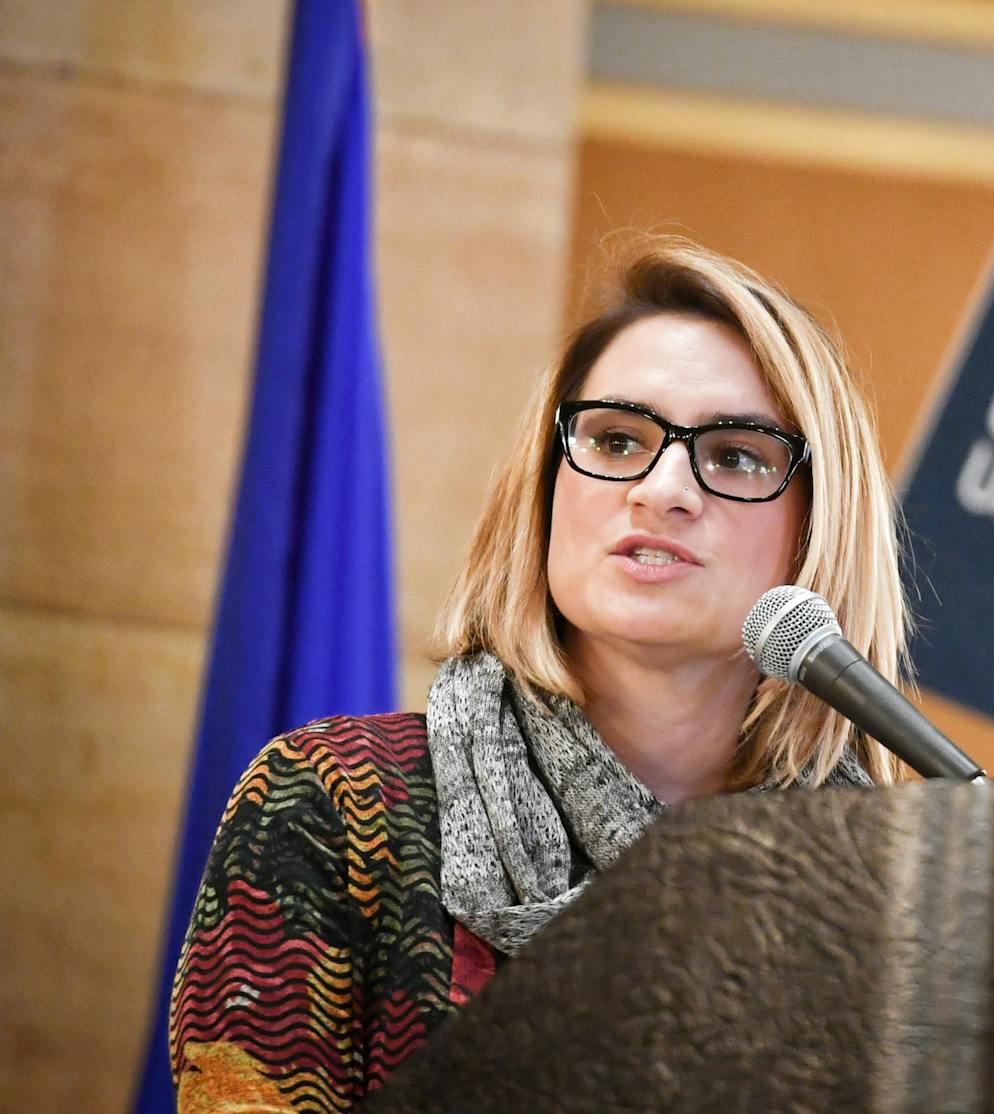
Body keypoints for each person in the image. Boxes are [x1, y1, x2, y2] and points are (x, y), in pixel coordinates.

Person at [168, 238, 912, 1111]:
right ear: (548, 484)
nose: (664, 488)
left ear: (818, 528)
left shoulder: (897, 898)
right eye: (617, 438)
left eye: (736, 456)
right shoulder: (341, 803)